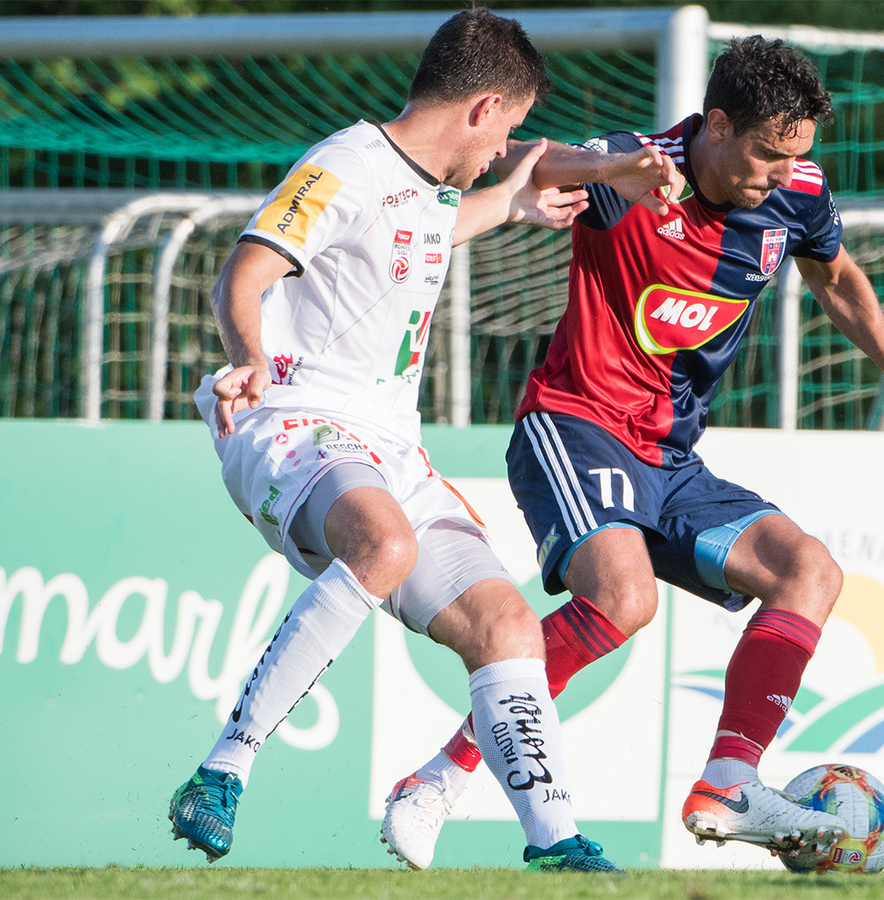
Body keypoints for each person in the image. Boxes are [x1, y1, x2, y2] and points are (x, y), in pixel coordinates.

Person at [380, 35, 884, 867]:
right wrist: (613, 170)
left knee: (810, 572)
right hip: (574, 424)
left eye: (796, 157)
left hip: (671, 460)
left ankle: (730, 782)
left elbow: (834, 277)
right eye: (767, 153)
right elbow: (534, 164)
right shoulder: (636, 169)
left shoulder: (796, 192)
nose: (782, 174)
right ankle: (439, 778)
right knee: (624, 598)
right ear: (716, 126)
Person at [166, 9, 679, 873]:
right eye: (505, 131)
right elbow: (242, 273)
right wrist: (248, 357)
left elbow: (439, 219)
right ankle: (223, 770)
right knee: (385, 545)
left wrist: (516, 199)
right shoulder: (346, 163)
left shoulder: (431, 188)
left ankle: (554, 845)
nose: (503, 149)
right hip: (293, 418)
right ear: (482, 108)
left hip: (390, 447)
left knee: (508, 624)